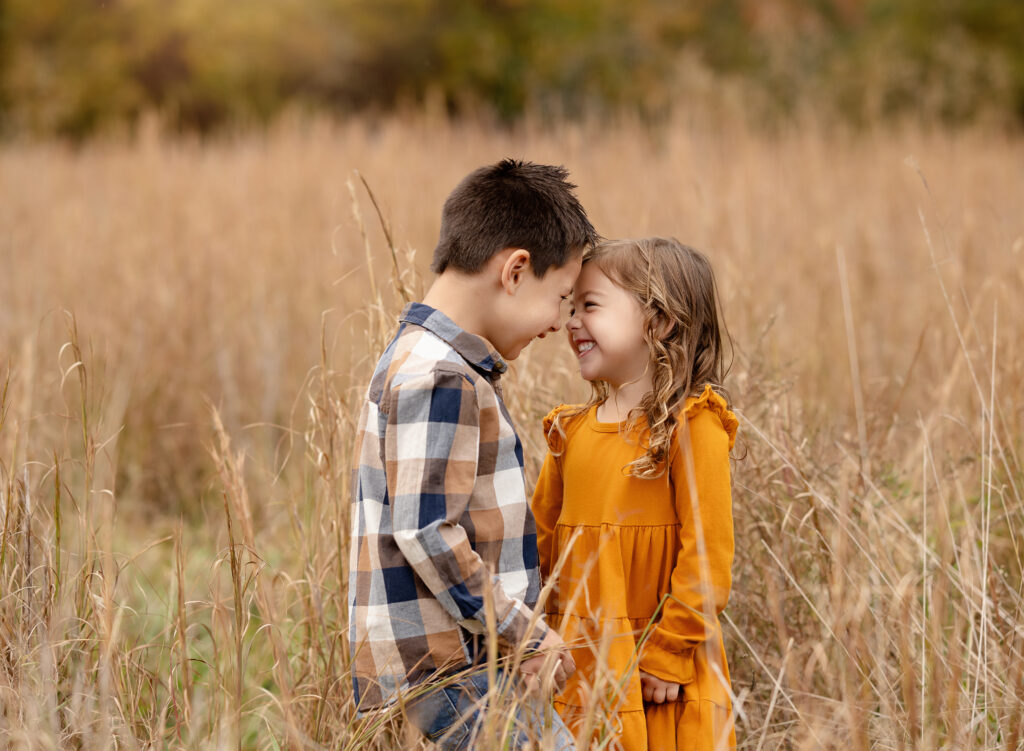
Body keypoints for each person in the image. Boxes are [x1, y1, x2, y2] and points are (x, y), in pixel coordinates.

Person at [348, 159, 598, 749]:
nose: (557, 323)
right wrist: (526, 635)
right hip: (450, 675)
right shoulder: (442, 377)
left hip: (448, 668)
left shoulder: (420, 358)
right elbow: (428, 532)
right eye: (561, 296)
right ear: (515, 270)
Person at [531, 237, 738, 750]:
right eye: (570, 306)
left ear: (660, 322)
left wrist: (669, 652)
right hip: (578, 664)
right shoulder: (568, 432)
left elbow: (708, 556)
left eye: (591, 305)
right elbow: (538, 545)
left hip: (657, 672)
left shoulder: (691, 426)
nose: (572, 321)